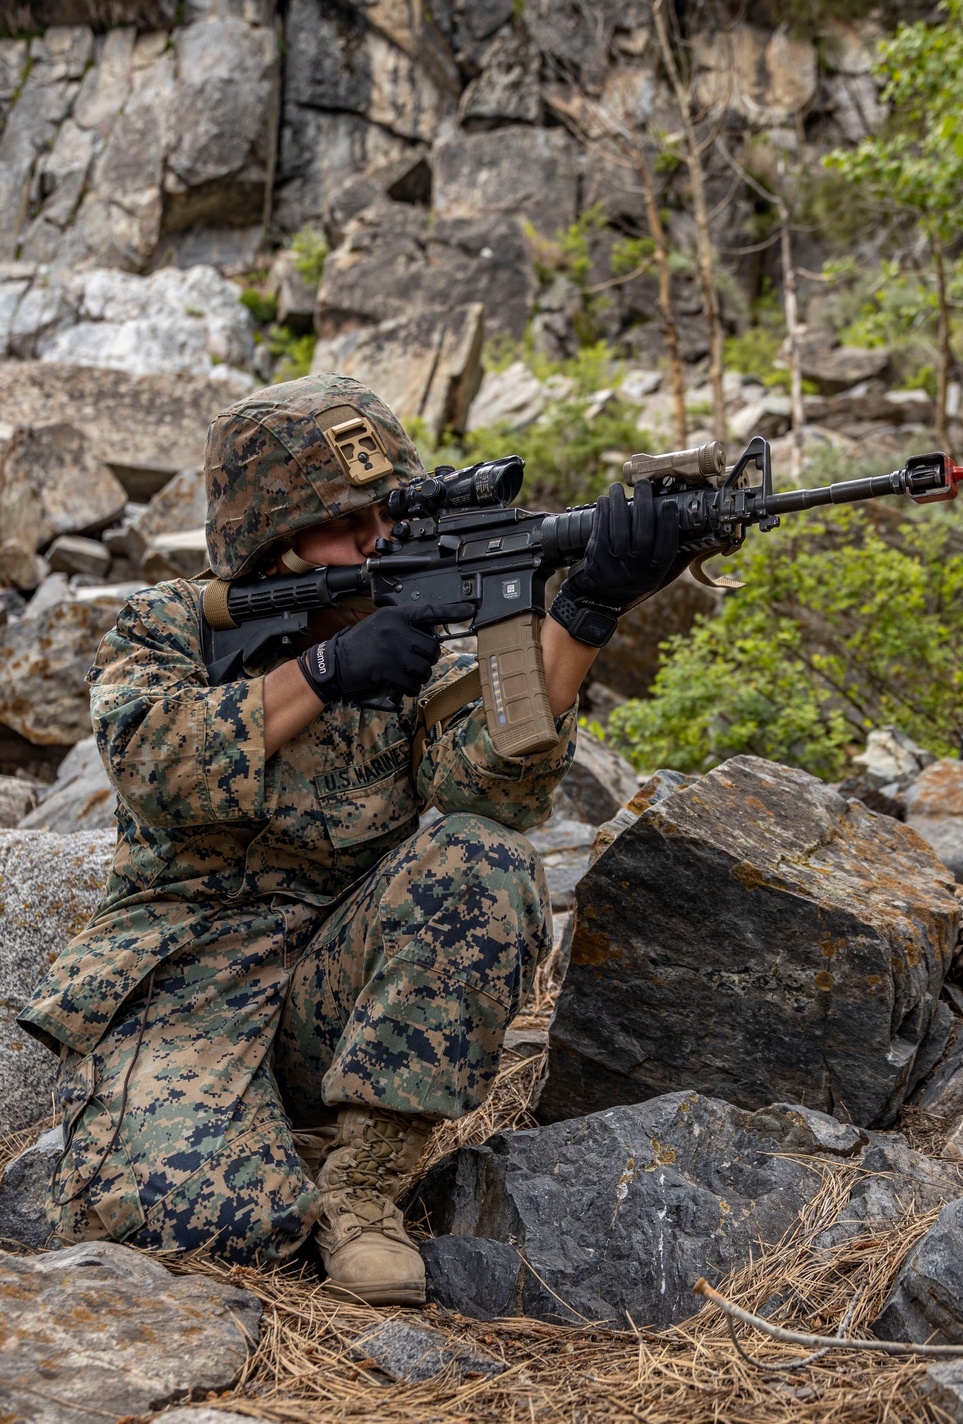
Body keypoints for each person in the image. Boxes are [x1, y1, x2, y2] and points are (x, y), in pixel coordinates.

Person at [18, 372, 679, 1305]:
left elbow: (489, 786)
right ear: (269, 536)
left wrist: (586, 612)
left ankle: (362, 1187)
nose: (377, 541)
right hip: (187, 983)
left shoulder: (402, 622)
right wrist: (324, 673)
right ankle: (263, 1136)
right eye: (347, 522)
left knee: (484, 860)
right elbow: (154, 761)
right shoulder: (169, 624)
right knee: (202, 1226)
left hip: (340, 975)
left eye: (388, 515)